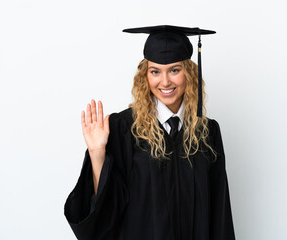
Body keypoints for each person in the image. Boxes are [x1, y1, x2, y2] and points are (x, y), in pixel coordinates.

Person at [64, 25, 235, 240]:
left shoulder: (207, 133)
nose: (165, 82)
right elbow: (108, 211)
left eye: (174, 70)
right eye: (155, 71)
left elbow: (219, 213)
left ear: (189, 73)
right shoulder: (124, 128)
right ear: (145, 76)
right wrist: (97, 153)